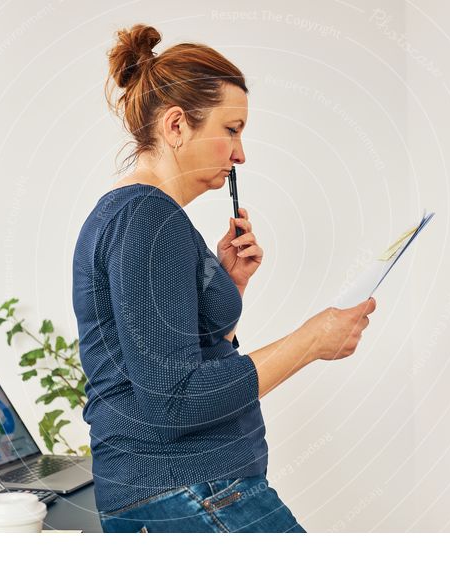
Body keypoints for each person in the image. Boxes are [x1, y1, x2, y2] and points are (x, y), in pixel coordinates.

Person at [72, 23, 376, 533]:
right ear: (176, 127)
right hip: (189, 491)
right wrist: (313, 340)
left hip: (192, 493)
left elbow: (168, 357)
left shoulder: (149, 218)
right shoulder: (147, 219)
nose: (240, 154)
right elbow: (173, 400)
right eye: (231, 130)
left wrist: (229, 288)